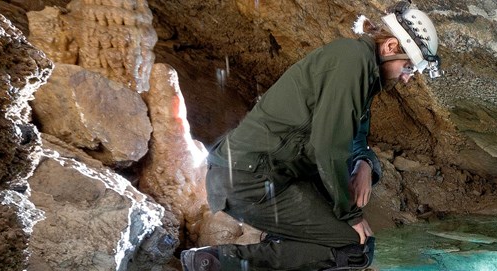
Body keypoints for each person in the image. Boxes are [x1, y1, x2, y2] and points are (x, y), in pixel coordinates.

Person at [180, 2, 440, 270]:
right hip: (249, 178)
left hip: (266, 174)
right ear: (390, 47)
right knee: (352, 247)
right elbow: (328, 148)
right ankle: (215, 262)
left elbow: (357, 141)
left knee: (355, 205)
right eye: (408, 66)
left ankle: (278, 242)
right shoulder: (353, 60)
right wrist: (350, 215)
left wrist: (364, 165)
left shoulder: (362, 73)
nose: (407, 78)